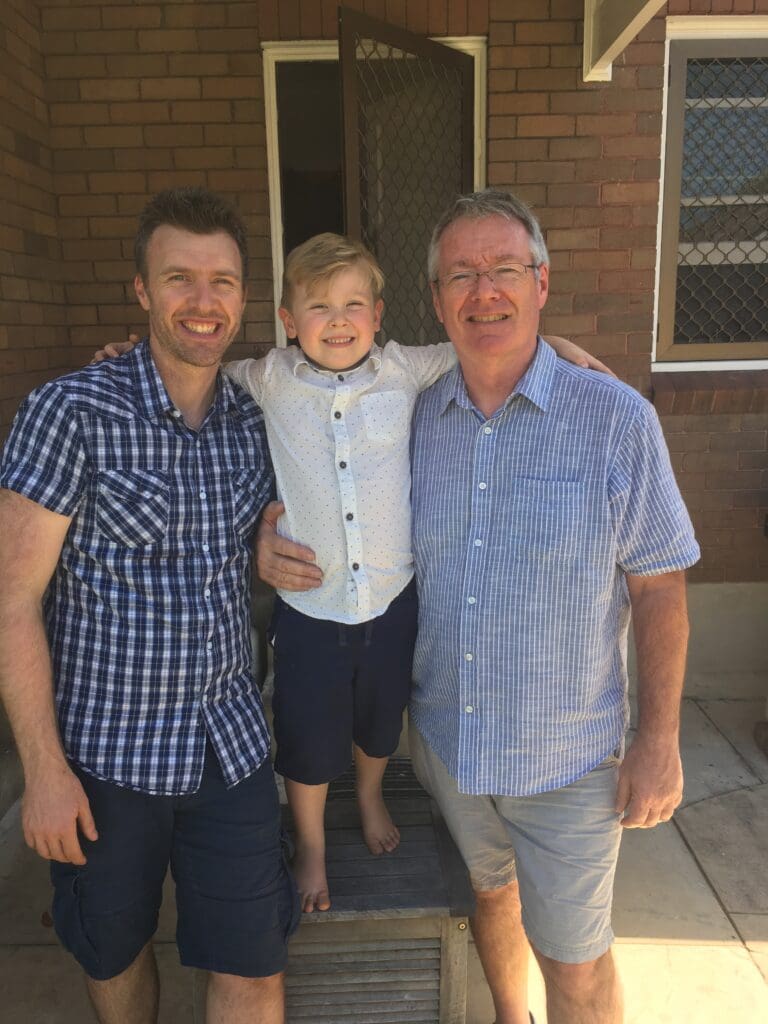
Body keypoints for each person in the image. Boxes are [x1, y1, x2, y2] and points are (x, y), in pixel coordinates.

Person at [256, 189, 700, 1024]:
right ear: (434, 301)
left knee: (576, 962)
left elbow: (660, 586)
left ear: (542, 282)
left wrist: (660, 739)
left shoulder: (614, 421)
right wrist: (263, 540)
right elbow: (319, 477)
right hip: (450, 748)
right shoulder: (409, 409)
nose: (484, 291)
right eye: (462, 274)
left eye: (504, 270)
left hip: (566, 763)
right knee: (492, 900)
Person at [93, 231, 606, 916]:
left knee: (378, 723)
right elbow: (190, 366)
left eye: (352, 305)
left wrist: (565, 354)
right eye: (318, 308)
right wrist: (129, 356)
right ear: (287, 321)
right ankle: (309, 841)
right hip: (311, 610)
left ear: (379, 314)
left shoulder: (406, 368)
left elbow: (493, 345)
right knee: (307, 737)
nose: (337, 322)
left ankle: (367, 798)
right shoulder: (267, 376)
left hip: (392, 602)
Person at [0, 187, 299, 1024]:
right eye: (179, 279)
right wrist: (44, 772)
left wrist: (551, 345)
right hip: (105, 757)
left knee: (252, 960)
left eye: (223, 281)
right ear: (141, 289)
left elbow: (378, 386)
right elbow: (11, 597)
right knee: (115, 949)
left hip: (229, 744)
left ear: (246, 295)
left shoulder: (256, 416)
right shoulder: (71, 412)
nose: (203, 303)